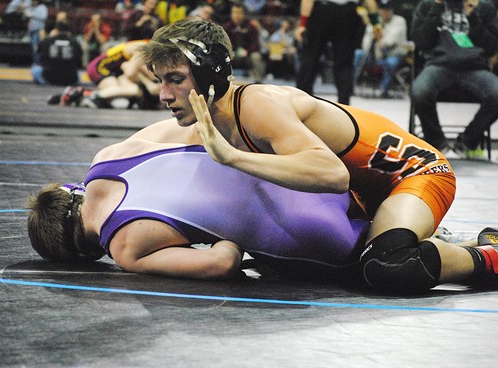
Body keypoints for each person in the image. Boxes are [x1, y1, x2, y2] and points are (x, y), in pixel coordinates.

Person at [139, 18, 498, 294]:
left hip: (414, 173)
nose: (164, 94)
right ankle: (454, 239)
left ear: (208, 73)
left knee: (389, 264)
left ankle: (489, 258)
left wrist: (232, 158)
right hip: (365, 191)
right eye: (159, 80)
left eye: (175, 79)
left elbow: (331, 175)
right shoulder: (211, 116)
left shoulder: (257, 106)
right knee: (314, 263)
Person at [27, 125, 370, 280]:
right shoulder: (110, 156)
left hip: (316, 236)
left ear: (83, 254)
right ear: (71, 189)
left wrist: (225, 224)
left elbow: (221, 263)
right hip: (308, 164)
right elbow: (201, 125)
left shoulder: (126, 248)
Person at [410, 0, 498, 158]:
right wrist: (435, 8)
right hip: (438, 65)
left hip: (475, 67)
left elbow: (491, 46)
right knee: (420, 91)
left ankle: (467, 141)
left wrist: (473, 16)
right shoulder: (427, 5)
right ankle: (436, 143)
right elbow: (421, 41)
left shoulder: (484, 7)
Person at [295, 0, 381, 105]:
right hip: (347, 14)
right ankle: (344, 105)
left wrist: (303, 24)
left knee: (311, 57)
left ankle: (301, 101)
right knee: (344, 62)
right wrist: (376, 22)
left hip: (322, 12)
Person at [58, 40, 159, 109]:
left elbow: (133, 68)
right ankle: (85, 96)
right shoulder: (143, 48)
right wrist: (148, 84)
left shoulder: (147, 49)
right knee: (122, 91)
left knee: (122, 101)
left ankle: (82, 94)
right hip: (100, 67)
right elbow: (129, 71)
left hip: (113, 71)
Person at [354, 0, 407, 98]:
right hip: (375, 56)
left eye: (386, 10)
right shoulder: (375, 21)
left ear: (391, 11)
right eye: (382, 10)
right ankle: (353, 85)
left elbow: (390, 42)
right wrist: (374, 36)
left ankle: (383, 90)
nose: (384, 13)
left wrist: (380, 36)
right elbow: (365, 43)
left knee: (391, 63)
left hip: (392, 55)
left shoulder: (399, 21)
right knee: (358, 54)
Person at [222, 3, 266, 83]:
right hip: (232, 53)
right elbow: (224, 43)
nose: (236, 15)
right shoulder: (226, 27)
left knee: (256, 57)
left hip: (248, 53)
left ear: (243, 14)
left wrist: (247, 51)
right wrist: (232, 51)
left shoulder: (251, 27)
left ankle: (258, 81)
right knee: (222, 56)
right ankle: (223, 80)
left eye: (239, 13)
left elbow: (255, 44)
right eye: (234, 13)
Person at [31, 21, 83, 86]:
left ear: (56, 30)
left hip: (48, 78)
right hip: (71, 79)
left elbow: (39, 56)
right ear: (69, 32)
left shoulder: (47, 41)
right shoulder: (75, 43)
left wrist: (50, 36)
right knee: (79, 72)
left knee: (35, 68)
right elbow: (79, 63)